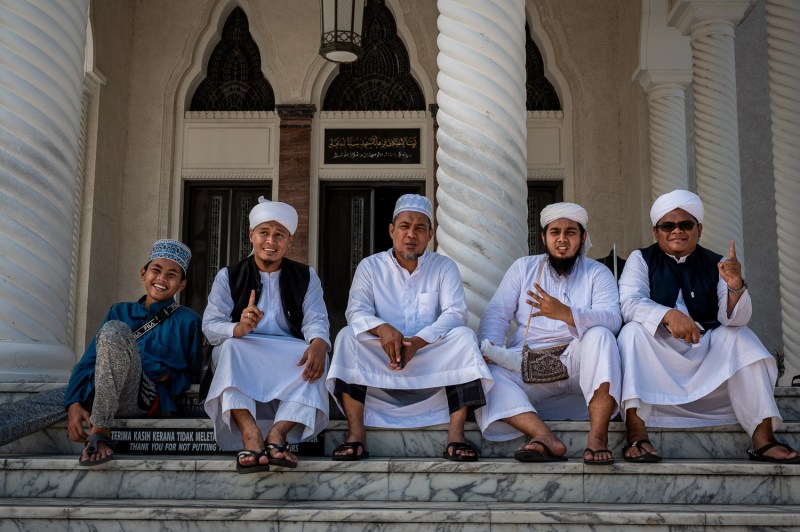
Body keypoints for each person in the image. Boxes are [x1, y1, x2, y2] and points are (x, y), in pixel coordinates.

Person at [617, 189, 799, 463]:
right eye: (668, 226)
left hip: (704, 348)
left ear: (698, 229)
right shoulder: (641, 259)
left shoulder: (718, 264)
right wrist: (668, 315)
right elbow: (629, 302)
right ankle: (636, 432)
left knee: (741, 337)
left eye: (685, 225)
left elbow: (734, 319)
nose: (677, 231)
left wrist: (735, 286)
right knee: (631, 333)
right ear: (656, 231)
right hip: (658, 350)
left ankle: (763, 439)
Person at [326, 194, 492, 462]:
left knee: (464, 337)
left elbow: (455, 313)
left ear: (430, 234)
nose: (411, 235)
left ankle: (456, 435)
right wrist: (382, 329)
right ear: (392, 231)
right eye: (404, 226)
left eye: (419, 228)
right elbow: (356, 311)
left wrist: (418, 342)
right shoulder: (370, 266)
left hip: (428, 356)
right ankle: (356, 434)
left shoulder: (444, 267)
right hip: (383, 358)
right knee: (347, 337)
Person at [477, 202, 622, 464]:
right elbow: (497, 314)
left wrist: (567, 313)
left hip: (577, 362)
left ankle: (598, 438)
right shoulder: (524, 268)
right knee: (488, 378)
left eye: (571, 232)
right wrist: (491, 348)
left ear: (583, 237)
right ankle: (543, 436)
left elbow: (613, 319)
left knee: (601, 336)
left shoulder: (597, 273)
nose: (562, 239)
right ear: (544, 237)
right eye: (555, 232)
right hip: (527, 364)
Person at [203, 197, 330, 474]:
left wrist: (319, 342)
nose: (271, 241)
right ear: (252, 236)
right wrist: (237, 328)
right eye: (264, 232)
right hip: (246, 349)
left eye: (279, 234)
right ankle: (250, 434)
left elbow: (316, 319)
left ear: (289, 241)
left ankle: (278, 435)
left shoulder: (306, 276)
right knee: (229, 349)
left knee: (317, 355)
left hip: (287, 352)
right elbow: (211, 325)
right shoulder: (229, 276)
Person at [65, 239, 203, 466]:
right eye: (156, 271)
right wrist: (73, 404)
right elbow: (88, 363)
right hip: (101, 390)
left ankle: (100, 430)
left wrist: (168, 375)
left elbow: (193, 375)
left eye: (171, 275)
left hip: (143, 396)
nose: (161, 279)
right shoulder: (119, 310)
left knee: (114, 331)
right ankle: (98, 418)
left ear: (182, 284)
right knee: (114, 329)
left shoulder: (188, 321)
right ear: (143, 273)